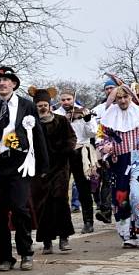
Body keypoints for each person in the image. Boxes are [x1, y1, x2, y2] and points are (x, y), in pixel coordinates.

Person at [0, 67, 49, 271]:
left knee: (20, 208)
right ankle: (5, 257)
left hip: (19, 163)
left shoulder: (26, 106)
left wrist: (43, 165)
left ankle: (26, 253)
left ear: (14, 84)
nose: (2, 84)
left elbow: (37, 134)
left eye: (6, 80)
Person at [96, 84, 139, 248]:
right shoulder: (108, 117)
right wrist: (105, 147)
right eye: (119, 98)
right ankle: (128, 236)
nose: (123, 100)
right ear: (115, 99)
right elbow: (100, 138)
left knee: (138, 195)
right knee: (121, 199)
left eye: (126, 97)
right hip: (118, 163)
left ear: (131, 97)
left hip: (137, 160)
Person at [29, 86, 77, 253]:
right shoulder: (32, 124)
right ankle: (47, 241)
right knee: (43, 205)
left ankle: (64, 238)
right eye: (39, 105)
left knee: (60, 202)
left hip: (60, 168)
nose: (42, 107)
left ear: (50, 105)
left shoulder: (61, 120)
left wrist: (65, 150)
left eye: (45, 104)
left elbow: (72, 139)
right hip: (40, 171)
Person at [54, 88, 98, 233]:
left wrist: (87, 120)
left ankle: (88, 222)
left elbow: (92, 133)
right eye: (63, 100)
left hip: (79, 151)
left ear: (73, 99)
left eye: (68, 99)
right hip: (62, 153)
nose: (66, 102)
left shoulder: (84, 111)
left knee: (83, 187)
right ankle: (63, 222)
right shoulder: (56, 114)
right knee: (61, 188)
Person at [92, 77, 119, 224]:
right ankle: (106, 210)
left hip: (123, 148)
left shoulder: (126, 105)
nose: (109, 91)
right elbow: (96, 130)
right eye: (107, 89)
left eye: (112, 88)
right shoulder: (99, 109)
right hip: (104, 148)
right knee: (106, 180)